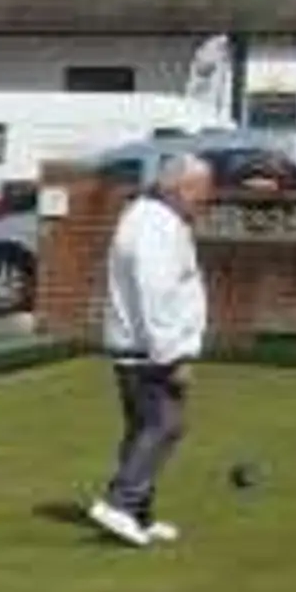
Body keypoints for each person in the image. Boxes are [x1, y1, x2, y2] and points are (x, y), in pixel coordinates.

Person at [89, 153, 214, 549]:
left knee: (146, 428)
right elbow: (155, 294)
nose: (205, 202)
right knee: (165, 425)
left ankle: (138, 513)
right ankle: (120, 503)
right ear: (181, 188)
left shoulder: (154, 219)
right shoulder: (155, 225)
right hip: (148, 350)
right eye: (202, 193)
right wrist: (172, 354)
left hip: (140, 346)